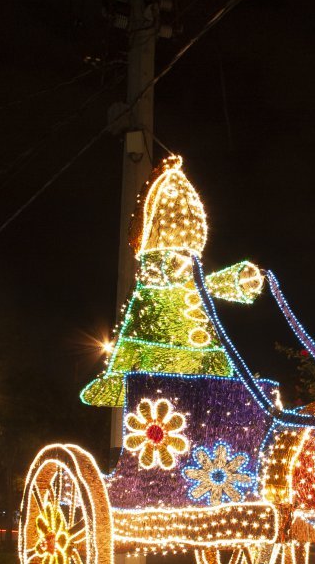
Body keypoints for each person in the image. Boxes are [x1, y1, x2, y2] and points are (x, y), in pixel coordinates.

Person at [82, 156, 264, 407]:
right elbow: (132, 340)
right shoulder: (149, 295)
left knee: (210, 390)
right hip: (159, 396)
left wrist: (240, 279)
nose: (178, 264)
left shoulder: (187, 283)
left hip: (201, 366)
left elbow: (210, 284)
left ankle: (220, 390)